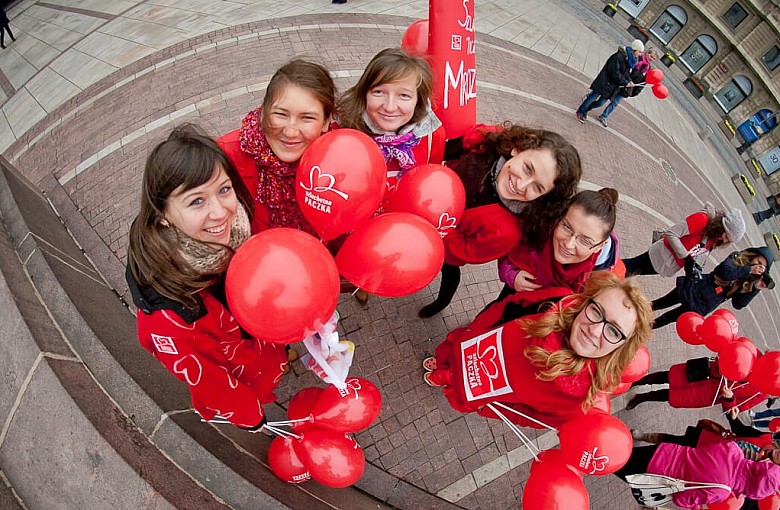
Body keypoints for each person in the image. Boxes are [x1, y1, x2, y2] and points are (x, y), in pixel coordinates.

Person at [126, 124, 289, 430]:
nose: (220, 212)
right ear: (162, 215)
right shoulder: (171, 315)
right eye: (196, 201)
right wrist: (251, 419)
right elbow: (211, 383)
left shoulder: (239, 221)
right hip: (242, 372)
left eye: (223, 190)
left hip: (262, 347)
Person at [423, 271, 653, 429]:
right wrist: (474, 330)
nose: (594, 330)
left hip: (481, 390)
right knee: (449, 357)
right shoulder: (553, 301)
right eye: (597, 311)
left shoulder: (578, 403)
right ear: (585, 303)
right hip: (472, 344)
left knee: (452, 383)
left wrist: (488, 408)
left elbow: (532, 418)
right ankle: (442, 366)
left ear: (622, 346)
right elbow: (507, 306)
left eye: (613, 331)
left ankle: (440, 377)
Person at [418, 123, 582, 317]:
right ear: (517, 149)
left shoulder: (508, 232)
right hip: (424, 195)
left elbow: (461, 252)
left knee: (449, 270)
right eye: (528, 168)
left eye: (537, 187)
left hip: (440, 237)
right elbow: (454, 144)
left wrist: (433, 220)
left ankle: (441, 302)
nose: (521, 185)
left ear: (544, 197)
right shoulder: (488, 140)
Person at [472, 188, 623, 329]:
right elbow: (511, 251)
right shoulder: (540, 229)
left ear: (599, 246)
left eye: (584, 241)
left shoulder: (597, 276)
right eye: (567, 227)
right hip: (509, 301)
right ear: (560, 217)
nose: (569, 244)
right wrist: (512, 276)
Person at [217, 59, 337, 235]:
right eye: (280, 114)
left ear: (326, 122)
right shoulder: (224, 158)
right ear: (264, 110)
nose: (290, 132)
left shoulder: (338, 157)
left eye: (307, 118)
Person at [336, 47, 446, 192]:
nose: (389, 107)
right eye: (379, 92)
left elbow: (429, 186)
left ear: (418, 100)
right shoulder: (341, 132)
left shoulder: (432, 136)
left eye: (404, 95)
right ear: (364, 93)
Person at [614, 437, 780, 509]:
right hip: (654, 476)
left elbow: (702, 449)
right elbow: (681, 499)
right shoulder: (721, 492)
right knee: (612, 463)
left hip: (665, 452)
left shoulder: (732, 449)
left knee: (622, 453)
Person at [651, 247, 774, 329]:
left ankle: (640, 329)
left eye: (761, 266)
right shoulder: (737, 257)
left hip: (704, 303)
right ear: (753, 255)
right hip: (696, 287)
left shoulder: (750, 281)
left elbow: (738, 304)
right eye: (758, 261)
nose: (758, 266)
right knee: (661, 303)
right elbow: (723, 272)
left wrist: (756, 287)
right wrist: (748, 270)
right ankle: (637, 312)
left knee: (667, 319)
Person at [622, 204, 746, 277]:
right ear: (723, 226)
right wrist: (686, 257)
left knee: (631, 271)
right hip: (661, 255)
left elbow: (696, 250)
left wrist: (694, 265)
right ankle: (605, 268)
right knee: (628, 267)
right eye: (726, 236)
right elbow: (671, 234)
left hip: (666, 265)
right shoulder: (702, 219)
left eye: (728, 241)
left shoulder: (715, 237)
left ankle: (607, 273)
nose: (724, 240)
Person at [625, 357, 769, 412]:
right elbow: (728, 352)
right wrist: (725, 364)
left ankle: (641, 398)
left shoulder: (761, 393)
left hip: (706, 395)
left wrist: (730, 398)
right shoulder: (754, 356)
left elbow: (736, 408)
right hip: (704, 372)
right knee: (667, 377)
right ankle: (637, 382)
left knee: (669, 395)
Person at [575, 39, 644, 123]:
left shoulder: (629, 60)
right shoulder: (619, 56)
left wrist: (629, 81)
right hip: (604, 81)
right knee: (592, 98)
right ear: (635, 50)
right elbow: (615, 72)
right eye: (639, 52)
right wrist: (625, 82)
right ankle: (581, 111)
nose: (640, 55)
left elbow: (625, 73)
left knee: (600, 103)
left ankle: (586, 109)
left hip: (612, 86)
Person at [595, 49, 657, 128]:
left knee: (615, 103)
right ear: (647, 53)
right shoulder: (637, 58)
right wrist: (626, 81)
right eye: (651, 56)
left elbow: (643, 82)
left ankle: (604, 116)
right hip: (621, 82)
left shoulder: (648, 69)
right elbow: (625, 69)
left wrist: (636, 92)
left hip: (628, 89)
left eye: (654, 59)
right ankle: (590, 99)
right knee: (604, 97)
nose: (651, 59)